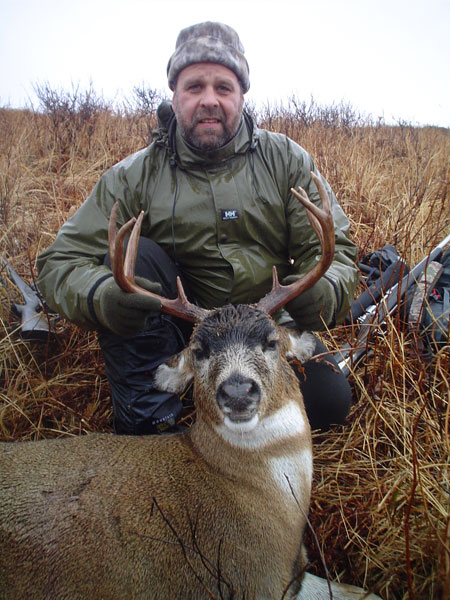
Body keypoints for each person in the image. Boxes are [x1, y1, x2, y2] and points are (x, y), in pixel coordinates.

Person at [37, 22, 359, 435]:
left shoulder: (286, 161)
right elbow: (58, 263)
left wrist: (324, 290)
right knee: (140, 261)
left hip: (264, 330)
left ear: (242, 95)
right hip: (180, 335)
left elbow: (338, 253)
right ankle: (153, 415)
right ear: (174, 94)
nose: (209, 100)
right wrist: (102, 297)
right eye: (194, 87)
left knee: (328, 403)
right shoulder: (133, 176)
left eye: (223, 87)